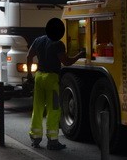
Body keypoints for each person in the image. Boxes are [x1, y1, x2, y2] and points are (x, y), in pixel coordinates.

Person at [26, 18, 84, 150]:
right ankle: (52, 141)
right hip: (52, 79)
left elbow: (29, 56)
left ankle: (35, 138)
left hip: (39, 77)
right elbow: (67, 62)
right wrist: (79, 55)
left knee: (38, 108)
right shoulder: (58, 44)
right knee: (54, 109)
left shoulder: (38, 40)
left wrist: (29, 74)